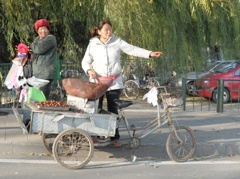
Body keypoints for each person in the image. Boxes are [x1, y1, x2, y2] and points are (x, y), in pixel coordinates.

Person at [81, 20, 162, 145]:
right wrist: (88, 71)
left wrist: (150, 54)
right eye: (106, 29)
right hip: (97, 82)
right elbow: (85, 61)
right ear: (99, 31)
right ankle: (95, 134)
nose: (109, 32)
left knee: (113, 110)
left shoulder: (117, 41)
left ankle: (114, 137)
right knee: (96, 109)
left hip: (114, 82)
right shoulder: (93, 44)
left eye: (110, 29)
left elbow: (133, 49)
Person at [30, 19, 57, 99]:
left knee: (42, 98)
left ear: (48, 29)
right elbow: (33, 52)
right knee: (35, 98)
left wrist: (31, 46)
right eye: (40, 29)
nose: (43, 31)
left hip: (45, 74)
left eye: (45, 28)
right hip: (36, 73)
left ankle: (43, 111)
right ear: (37, 30)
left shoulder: (51, 38)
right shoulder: (37, 39)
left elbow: (38, 49)